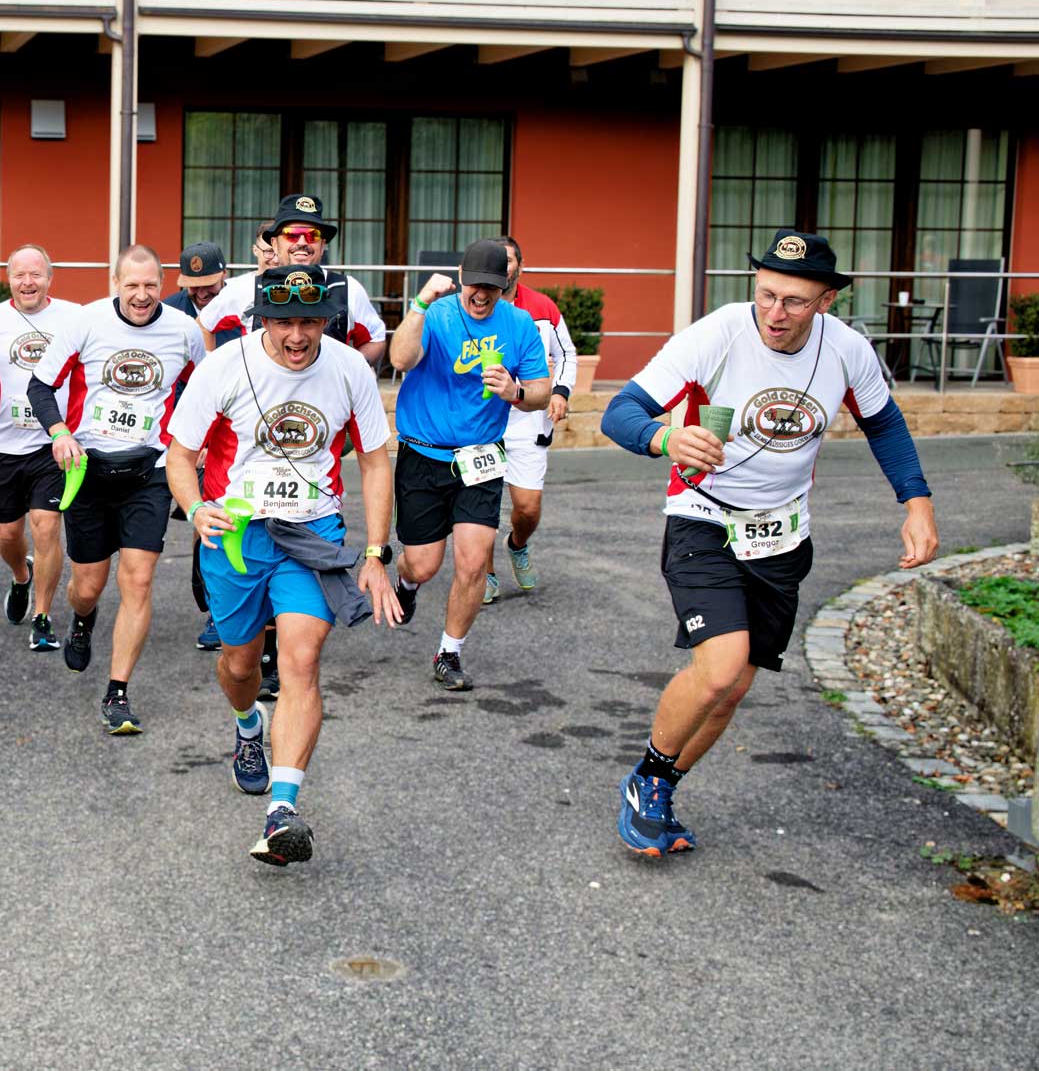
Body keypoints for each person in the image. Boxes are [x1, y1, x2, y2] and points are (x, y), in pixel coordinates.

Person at [600, 229, 936, 856]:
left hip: (782, 532)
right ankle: (645, 778)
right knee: (720, 668)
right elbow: (619, 412)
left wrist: (916, 503)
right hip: (703, 516)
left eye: (794, 301)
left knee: (733, 689)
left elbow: (885, 424)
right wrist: (664, 438)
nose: (775, 313)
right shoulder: (718, 333)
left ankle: (663, 787)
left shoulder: (846, 350)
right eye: (766, 295)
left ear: (826, 301)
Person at [167, 264, 401, 867]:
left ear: (327, 319)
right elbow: (181, 454)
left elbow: (375, 461)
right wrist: (195, 509)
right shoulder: (225, 366)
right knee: (240, 664)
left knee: (301, 660)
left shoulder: (349, 368)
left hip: (311, 533)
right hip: (236, 536)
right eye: (283, 322)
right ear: (262, 321)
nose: (297, 335)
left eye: (310, 321)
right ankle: (247, 723)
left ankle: (282, 811)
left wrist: (376, 552)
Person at [25, 245, 206, 735]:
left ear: (162, 284)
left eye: (150, 286)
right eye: (132, 286)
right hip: (88, 470)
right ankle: (83, 619)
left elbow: (205, 389)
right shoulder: (85, 323)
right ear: (115, 283)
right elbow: (40, 387)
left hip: (150, 471)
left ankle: (117, 692)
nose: (141, 295)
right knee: (87, 586)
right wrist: (59, 433)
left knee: (139, 580)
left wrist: (192, 444)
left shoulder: (185, 331)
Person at [388, 238, 551, 691]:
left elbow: (541, 390)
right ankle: (407, 584)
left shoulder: (519, 324)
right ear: (461, 277)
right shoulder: (436, 314)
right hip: (424, 452)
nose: (481, 295)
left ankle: (449, 652)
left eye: (491, 287)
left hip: (481, 457)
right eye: (474, 285)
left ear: (507, 284)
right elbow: (400, 359)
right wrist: (419, 303)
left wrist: (515, 392)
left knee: (474, 562)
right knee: (422, 564)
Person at [0, 244, 80, 651]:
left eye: (36, 274)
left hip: (54, 443)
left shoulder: (73, 317)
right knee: (7, 534)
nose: (28, 282)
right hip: (4, 443)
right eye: (20, 274)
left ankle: (43, 616)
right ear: (9, 279)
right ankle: (21, 575)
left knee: (47, 526)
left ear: (49, 278)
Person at [484, 235, 576, 603]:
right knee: (481, 504)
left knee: (528, 507)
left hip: (529, 419)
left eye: (508, 260)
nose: (502, 266)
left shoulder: (542, 308)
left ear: (520, 266)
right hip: (482, 421)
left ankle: (517, 544)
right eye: (495, 259)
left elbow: (566, 354)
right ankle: (483, 573)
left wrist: (560, 392)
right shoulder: (474, 305)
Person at [197, 196, 387, 367]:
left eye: (312, 235)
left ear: (322, 245)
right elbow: (203, 325)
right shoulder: (245, 288)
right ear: (274, 244)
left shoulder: (347, 289)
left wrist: (353, 369)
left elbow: (376, 339)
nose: (302, 242)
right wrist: (213, 371)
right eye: (291, 234)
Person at [161, 241, 231, 652]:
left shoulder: (242, 309)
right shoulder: (169, 312)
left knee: (230, 520)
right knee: (204, 520)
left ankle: (220, 612)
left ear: (225, 276)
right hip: (186, 434)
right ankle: (212, 600)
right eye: (194, 285)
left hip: (234, 433)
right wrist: (187, 440)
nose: (202, 293)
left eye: (210, 285)